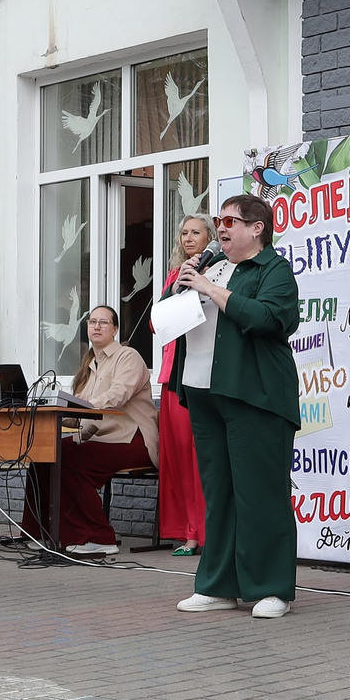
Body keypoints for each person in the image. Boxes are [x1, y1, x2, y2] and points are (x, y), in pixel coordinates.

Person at [164, 194, 301, 618]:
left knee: (260, 493)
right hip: (204, 393)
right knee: (219, 493)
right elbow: (170, 318)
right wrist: (181, 285)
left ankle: (272, 588)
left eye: (229, 221)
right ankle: (218, 584)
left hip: (254, 394)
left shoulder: (274, 269)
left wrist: (208, 288)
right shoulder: (209, 267)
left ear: (256, 227)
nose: (219, 228)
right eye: (218, 221)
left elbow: (269, 319)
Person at [22, 304, 156, 555]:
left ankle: (99, 538)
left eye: (104, 322)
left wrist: (87, 406)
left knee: (70, 461)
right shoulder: (90, 365)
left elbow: (118, 394)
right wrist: (49, 412)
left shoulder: (128, 357)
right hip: (103, 438)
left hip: (133, 439)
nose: (97, 326)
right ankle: (39, 532)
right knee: (44, 453)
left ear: (115, 329)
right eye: (92, 321)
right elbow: (82, 416)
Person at [155, 214, 213, 557]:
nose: (188, 238)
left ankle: (206, 533)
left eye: (195, 232)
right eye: (183, 233)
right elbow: (157, 321)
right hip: (172, 374)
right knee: (177, 458)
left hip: (203, 372)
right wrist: (176, 287)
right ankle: (188, 533)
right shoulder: (177, 275)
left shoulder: (219, 272)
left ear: (211, 238)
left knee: (201, 457)